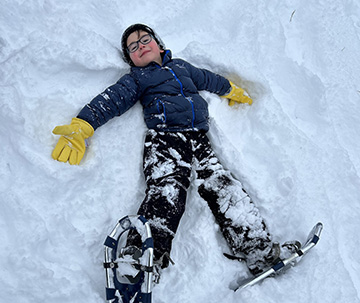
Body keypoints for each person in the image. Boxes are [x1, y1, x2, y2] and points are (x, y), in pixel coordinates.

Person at [52, 24, 299, 276]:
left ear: (159, 44)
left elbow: (208, 78)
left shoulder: (182, 67)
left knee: (224, 186)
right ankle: (139, 258)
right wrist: (83, 124)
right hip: (164, 141)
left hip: (199, 142)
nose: (141, 46)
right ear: (132, 61)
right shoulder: (138, 78)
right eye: (133, 48)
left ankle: (259, 249)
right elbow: (112, 99)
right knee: (167, 192)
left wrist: (230, 89)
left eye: (145, 39)